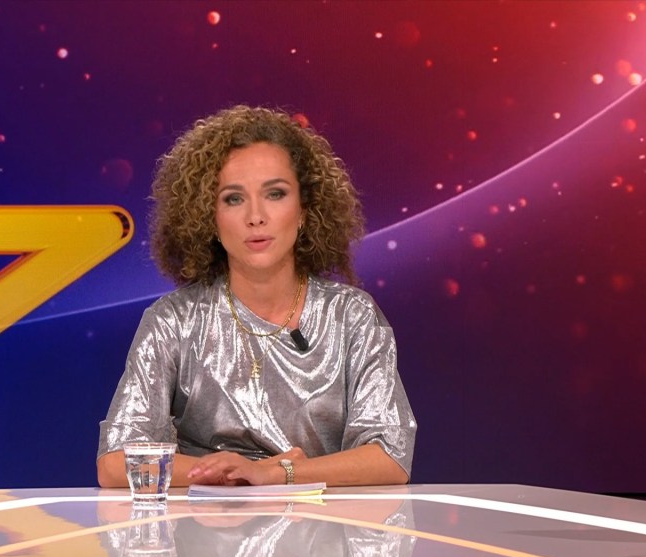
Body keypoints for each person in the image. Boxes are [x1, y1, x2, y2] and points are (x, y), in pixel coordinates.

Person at [96, 105, 416, 487]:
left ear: (304, 210)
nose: (256, 216)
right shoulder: (173, 321)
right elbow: (115, 463)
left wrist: (272, 473)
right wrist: (230, 473)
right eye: (233, 199)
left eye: (275, 194)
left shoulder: (352, 316)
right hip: (204, 522)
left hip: (321, 522)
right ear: (208, 218)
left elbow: (390, 457)